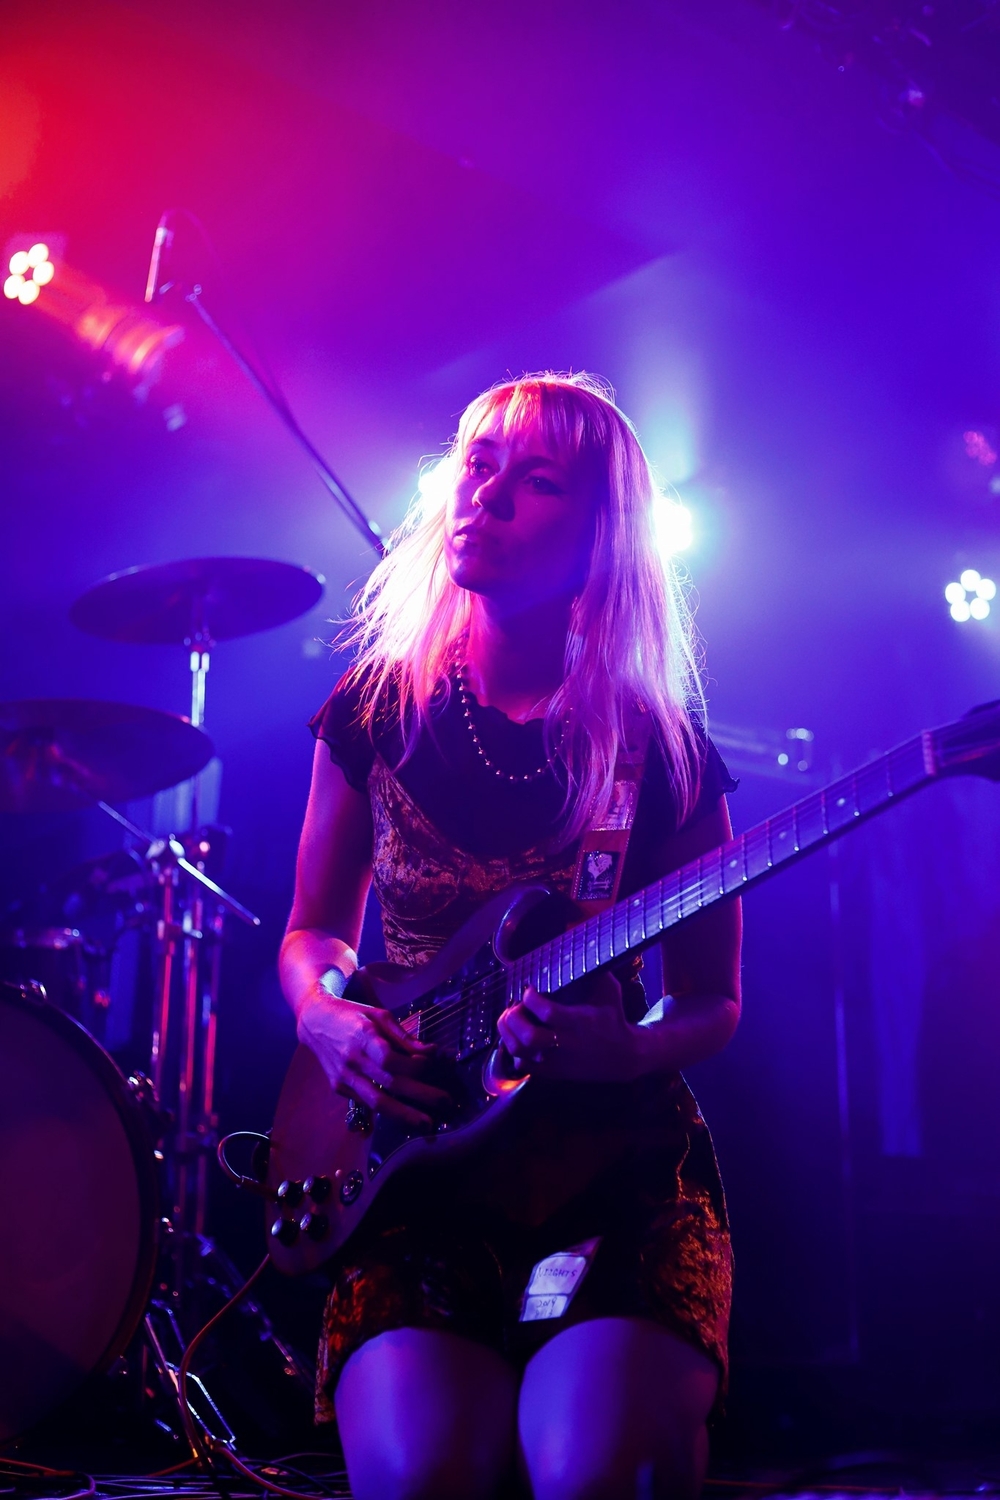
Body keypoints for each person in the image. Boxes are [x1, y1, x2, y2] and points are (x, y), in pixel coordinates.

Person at [279, 372, 742, 1500]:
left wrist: (626, 1048)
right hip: (414, 1182)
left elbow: (712, 999)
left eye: (533, 482)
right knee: (424, 1475)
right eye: (477, 467)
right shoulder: (376, 709)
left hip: (608, 1177)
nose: (484, 495)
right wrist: (326, 1019)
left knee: (593, 1472)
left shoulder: (660, 745)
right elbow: (312, 932)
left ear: (601, 537)